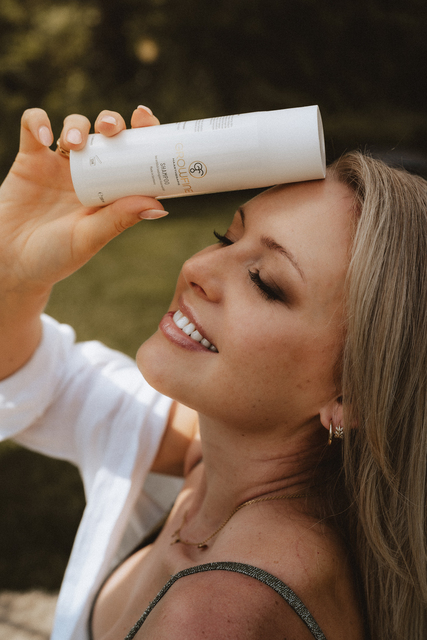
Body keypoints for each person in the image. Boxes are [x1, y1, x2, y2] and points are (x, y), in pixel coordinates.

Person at [0, 106, 426, 640]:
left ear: (353, 396)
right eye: (227, 238)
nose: (199, 268)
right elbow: (44, 386)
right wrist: (13, 271)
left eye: (266, 282)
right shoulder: (212, 458)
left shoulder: (212, 618)